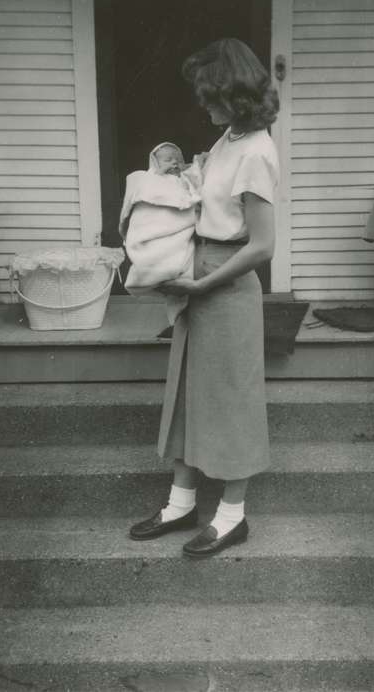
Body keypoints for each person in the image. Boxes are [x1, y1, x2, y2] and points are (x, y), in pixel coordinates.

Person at [129, 38, 280, 558]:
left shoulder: (258, 151)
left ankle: (233, 516)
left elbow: (263, 245)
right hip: (201, 270)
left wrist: (202, 284)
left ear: (236, 94)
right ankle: (180, 503)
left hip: (228, 283)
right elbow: (207, 197)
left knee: (232, 401)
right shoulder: (228, 140)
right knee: (188, 391)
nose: (203, 104)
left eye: (210, 95)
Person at [119, 142, 203, 325]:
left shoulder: (184, 180)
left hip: (179, 234)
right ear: (155, 163)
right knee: (157, 260)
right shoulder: (147, 180)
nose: (174, 163)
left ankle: (179, 317)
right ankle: (153, 272)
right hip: (153, 233)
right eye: (168, 160)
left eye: (178, 160)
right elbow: (139, 210)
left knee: (181, 269)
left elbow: (195, 193)